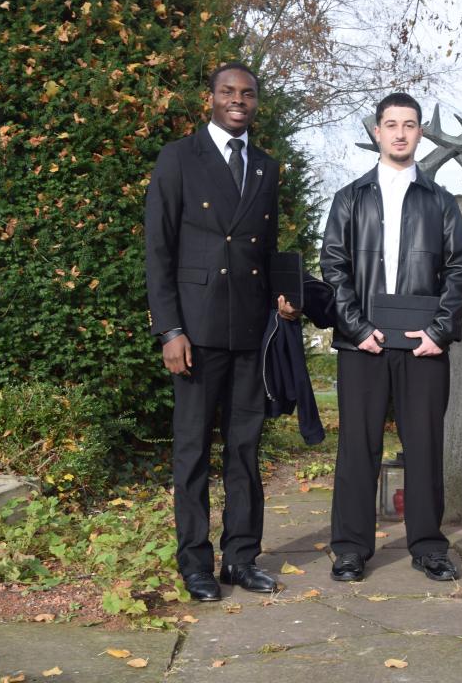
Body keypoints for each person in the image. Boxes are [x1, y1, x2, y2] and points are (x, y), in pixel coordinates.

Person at [145, 62, 296, 602]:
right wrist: (170, 329)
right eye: (228, 92)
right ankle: (195, 564)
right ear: (209, 98)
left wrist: (287, 301)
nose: (239, 101)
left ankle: (241, 558)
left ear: (257, 102)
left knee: (245, 451)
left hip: (250, 333)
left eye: (248, 94)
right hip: (195, 333)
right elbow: (158, 252)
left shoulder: (266, 168)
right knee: (191, 453)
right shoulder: (179, 158)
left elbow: (267, 250)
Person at [319, 92, 462, 582]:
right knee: (357, 448)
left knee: (425, 446)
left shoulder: (440, 201)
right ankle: (349, 548)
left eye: (409, 124)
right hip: (361, 345)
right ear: (377, 132)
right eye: (391, 124)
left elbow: (458, 270)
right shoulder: (350, 198)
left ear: (420, 133)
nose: (400, 133)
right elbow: (334, 268)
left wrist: (439, 331)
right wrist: (356, 329)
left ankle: (428, 545)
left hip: (423, 346)